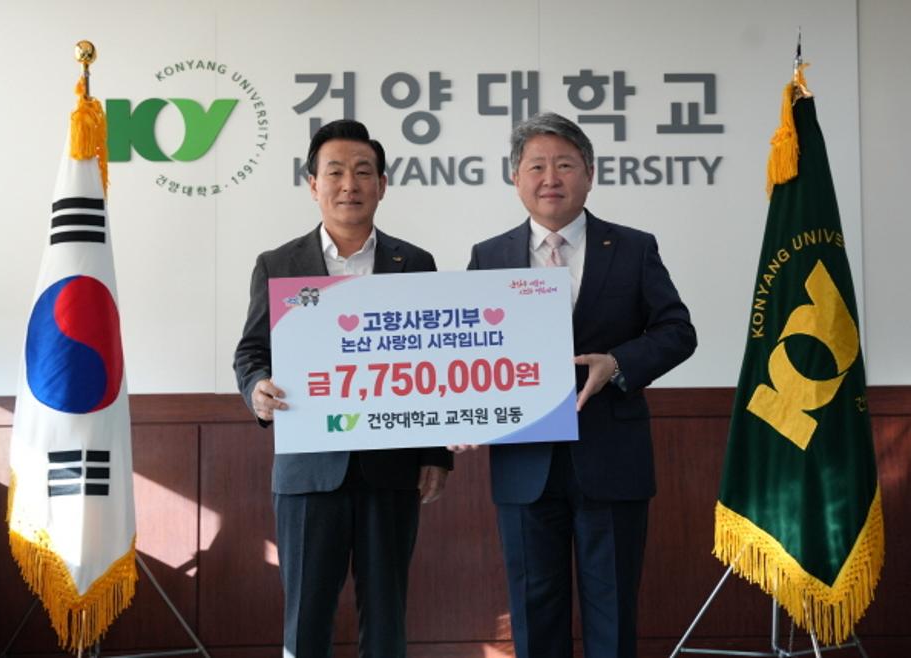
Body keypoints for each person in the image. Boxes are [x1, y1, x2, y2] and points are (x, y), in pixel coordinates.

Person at [465, 113, 696, 658]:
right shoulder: (488, 257)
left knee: (611, 614)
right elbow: (470, 351)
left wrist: (616, 363)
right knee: (533, 615)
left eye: (565, 165)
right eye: (536, 166)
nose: (551, 178)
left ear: (589, 174)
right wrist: (458, 410)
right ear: (515, 178)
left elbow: (677, 332)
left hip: (611, 458)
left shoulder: (634, 248)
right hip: (524, 462)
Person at [233, 119, 452, 658]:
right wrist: (257, 388)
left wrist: (436, 453)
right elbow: (251, 352)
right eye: (335, 172)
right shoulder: (279, 265)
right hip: (309, 470)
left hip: (392, 468)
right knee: (306, 616)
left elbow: (435, 361)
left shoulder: (414, 264)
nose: (349, 184)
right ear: (313, 184)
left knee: (386, 614)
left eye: (362, 172)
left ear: (382, 184)